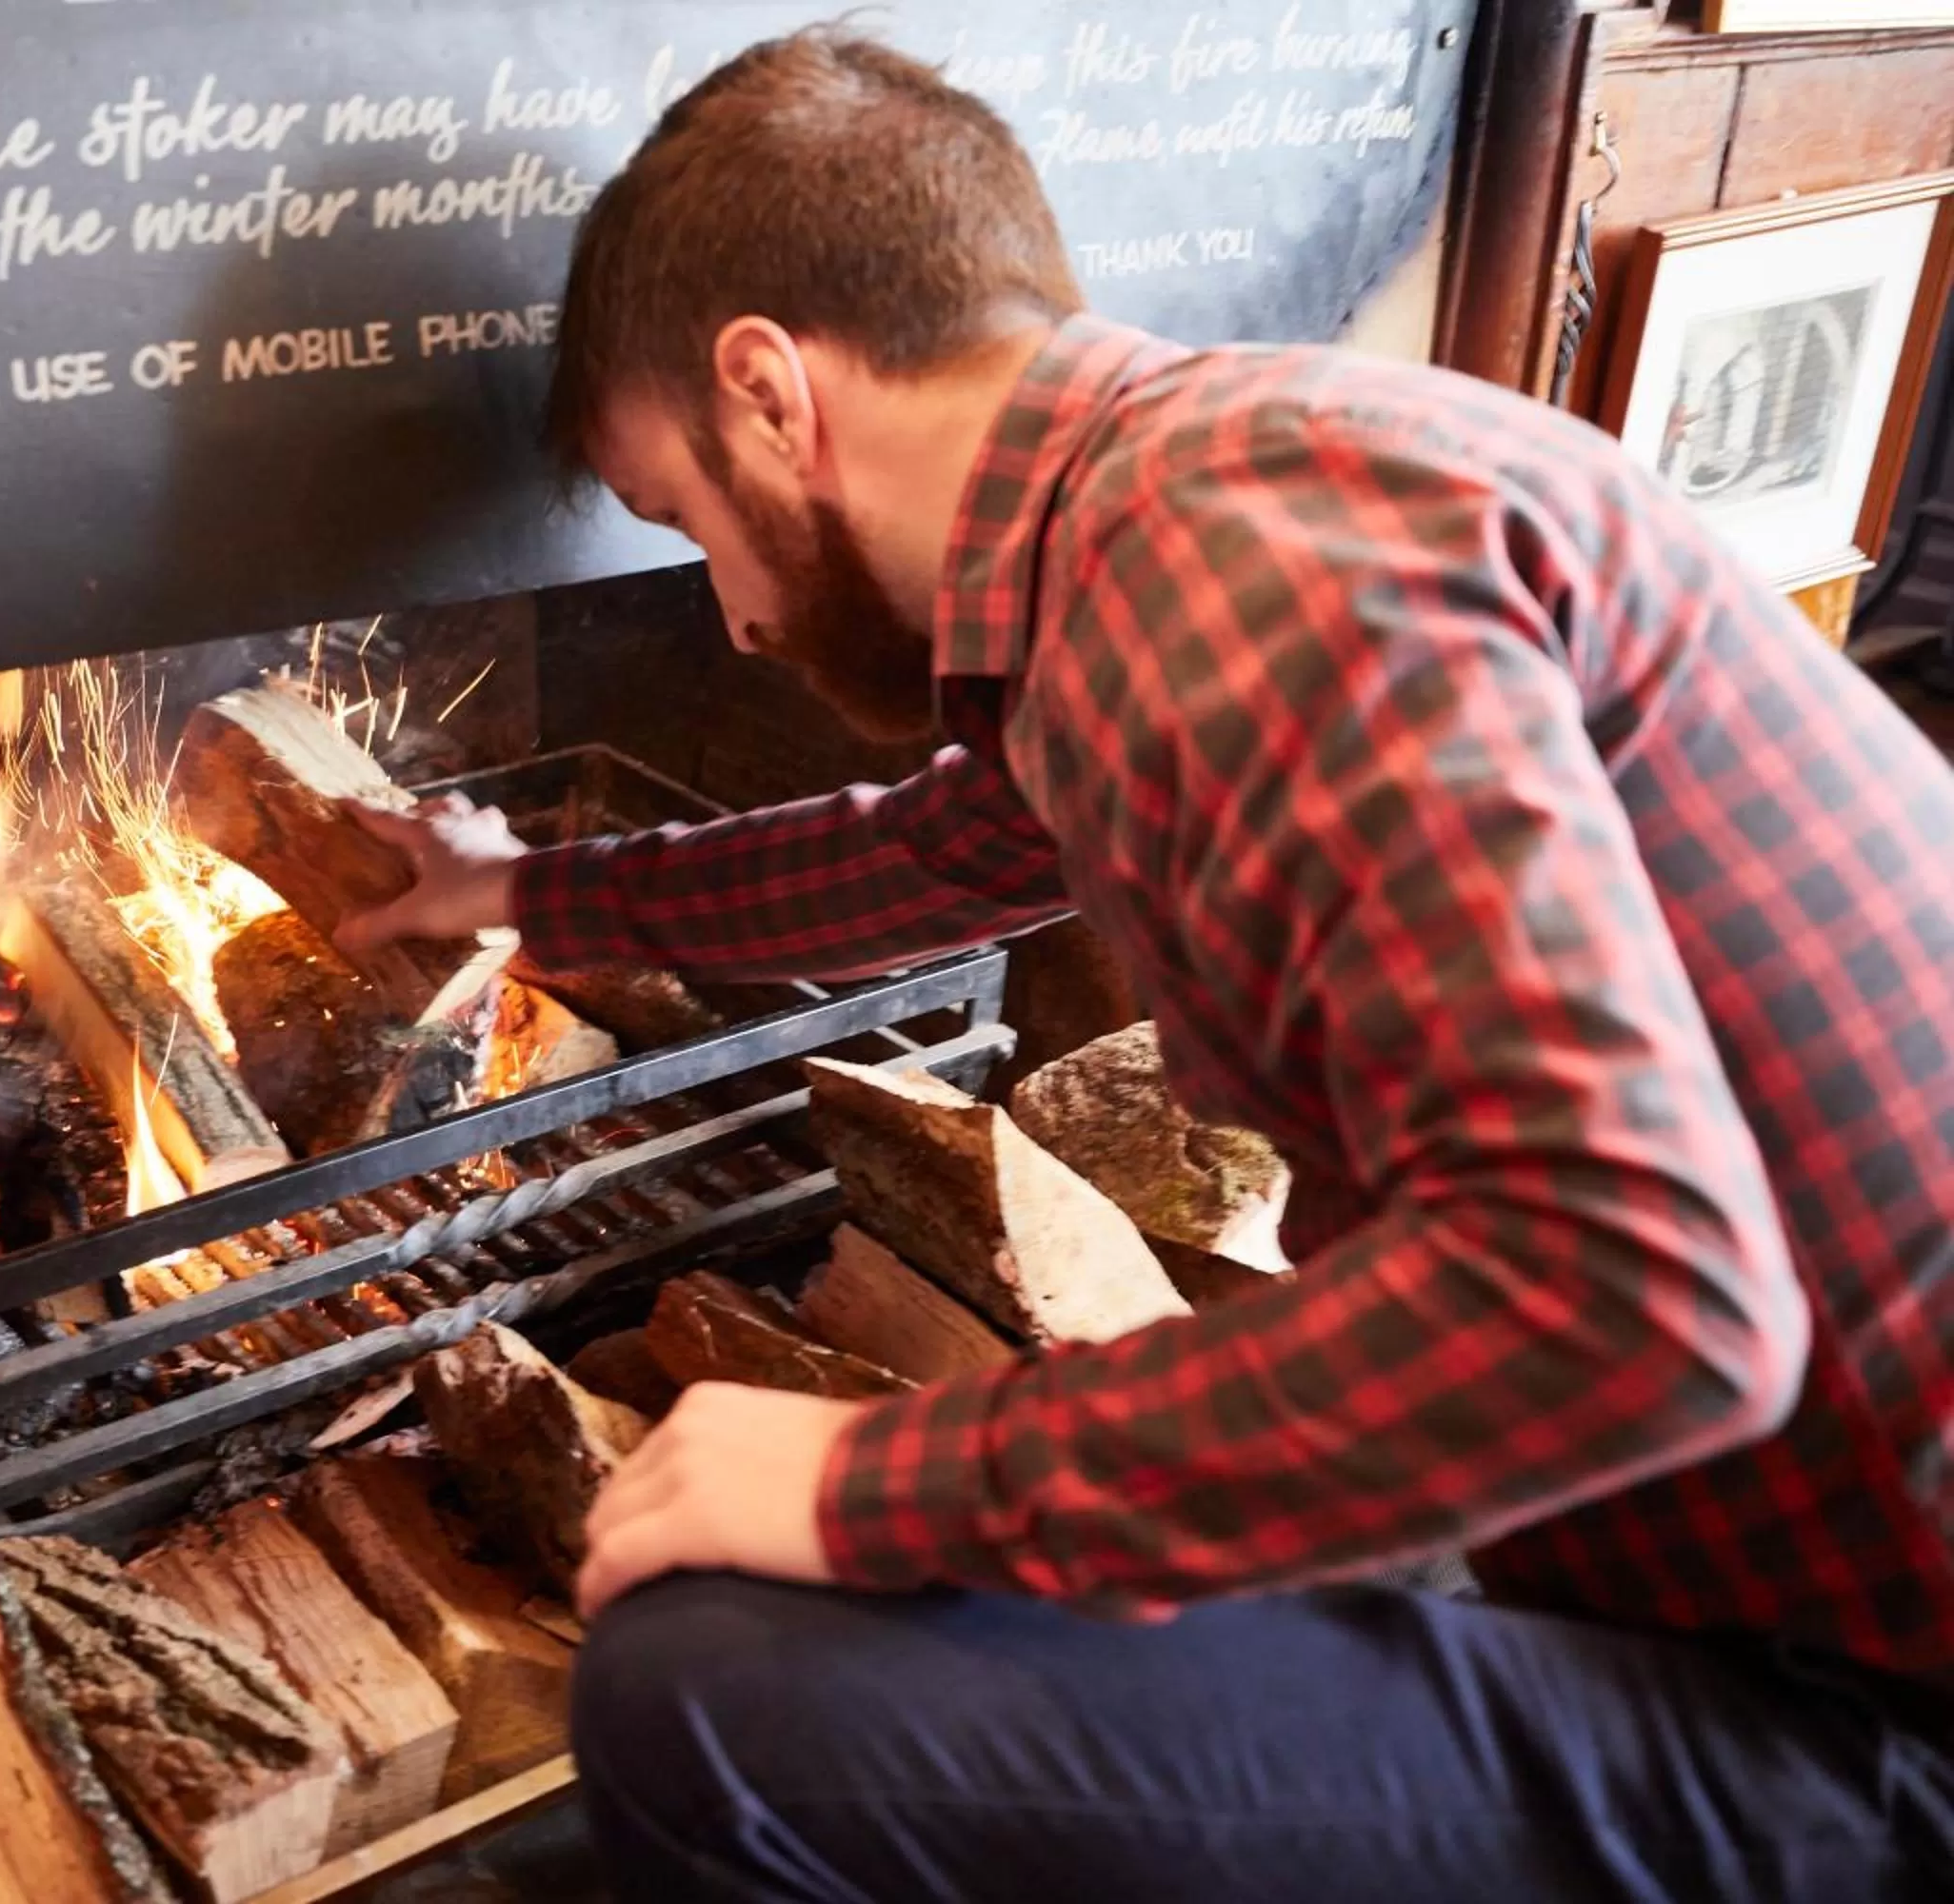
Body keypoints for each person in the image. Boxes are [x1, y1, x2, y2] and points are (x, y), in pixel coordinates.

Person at [333, 28, 1954, 1904]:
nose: (740, 616)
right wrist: (527, 891)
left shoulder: (1229, 578)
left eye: (691, 521)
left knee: (715, 1691)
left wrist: (874, 1486)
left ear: (771, 392)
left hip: (1868, 1710)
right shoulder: (1221, 495)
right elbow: (931, 850)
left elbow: (1645, 1295)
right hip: (1758, 1576)